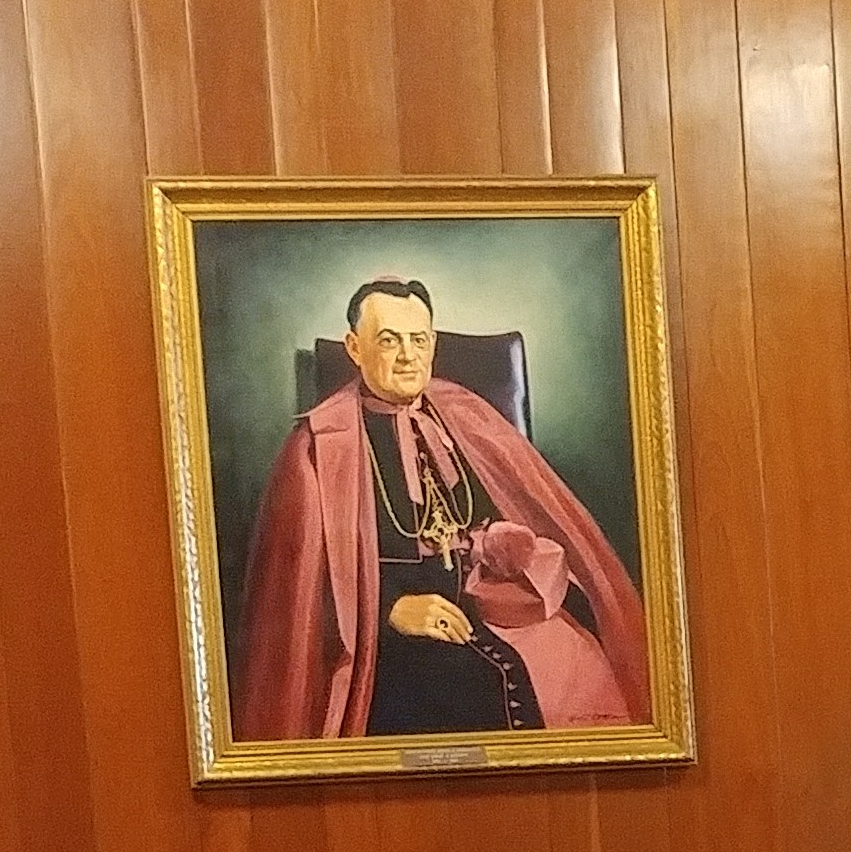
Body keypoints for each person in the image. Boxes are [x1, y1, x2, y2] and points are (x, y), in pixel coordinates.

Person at [230, 277, 651, 741]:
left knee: (582, 654)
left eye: (419, 340)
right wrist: (391, 611)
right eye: (388, 341)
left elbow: (515, 507)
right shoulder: (316, 447)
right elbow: (300, 597)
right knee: (477, 687)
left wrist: (508, 552)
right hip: (383, 642)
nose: (407, 356)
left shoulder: (465, 413)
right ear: (354, 348)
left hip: (489, 608)